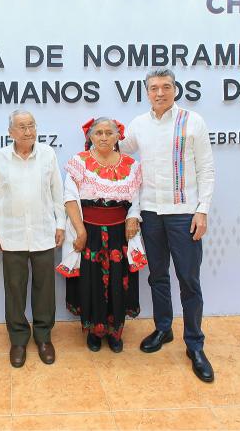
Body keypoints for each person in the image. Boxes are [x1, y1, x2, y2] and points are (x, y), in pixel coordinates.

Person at [120, 68, 216, 382]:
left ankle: (195, 344)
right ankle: (164, 329)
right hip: (150, 213)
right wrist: (98, 133)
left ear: (175, 89)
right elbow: (119, 150)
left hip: (184, 214)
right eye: (154, 88)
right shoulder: (139, 124)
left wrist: (202, 210)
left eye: (165, 87)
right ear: (146, 92)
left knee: (189, 280)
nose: (159, 93)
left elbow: (206, 169)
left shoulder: (193, 121)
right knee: (158, 277)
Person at [0, 110, 65, 367]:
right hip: (11, 233)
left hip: (43, 231)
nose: (28, 131)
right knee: (15, 289)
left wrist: (60, 224)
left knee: (45, 289)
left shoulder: (48, 155)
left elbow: (57, 193)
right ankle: (18, 339)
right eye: (22, 127)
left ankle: (43, 337)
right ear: (11, 132)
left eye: (31, 125)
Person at [64, 117, 142, 353]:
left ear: (118, 136)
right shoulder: (79, 162)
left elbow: (137, 198)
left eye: (109, 133)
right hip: (90, 232)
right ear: (91, 136)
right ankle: (94, 331)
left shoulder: (132, 165)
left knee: (119, 280)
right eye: (99, 133)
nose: (104, 137)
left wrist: (133, 217)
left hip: (120, 233)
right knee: (92, 281)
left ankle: (115, 331)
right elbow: (70, 198)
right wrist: (80, 231)